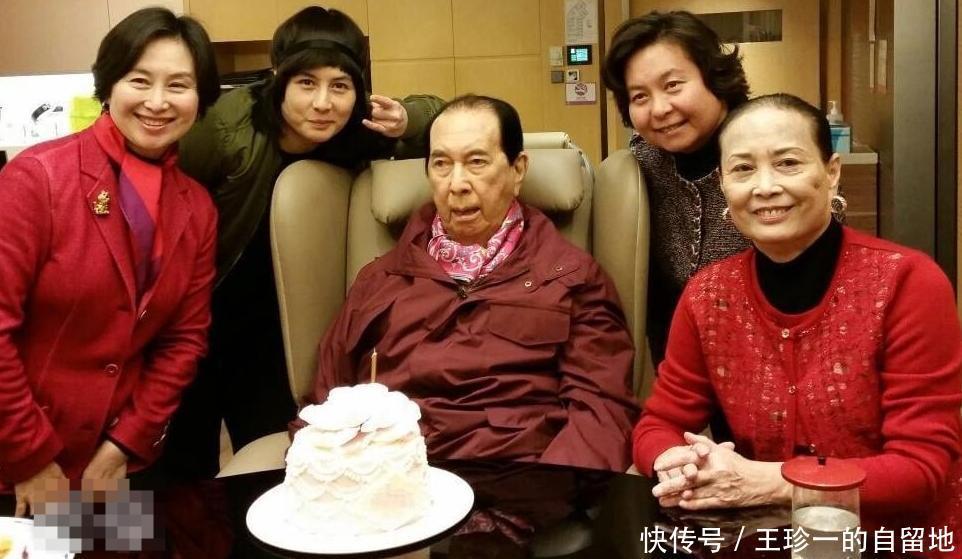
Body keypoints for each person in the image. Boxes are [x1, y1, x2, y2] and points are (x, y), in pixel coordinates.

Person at [633, 93, 962, 547]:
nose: (765, 187)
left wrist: (766, 482)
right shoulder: (708, 295)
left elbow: (920, 470)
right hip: (767, 541)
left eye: (787, 163)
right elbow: (657, 424)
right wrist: (678, 463)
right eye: (743, 169)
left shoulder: (907, 281)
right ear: (724, 185)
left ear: (832, 171)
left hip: (896, 540)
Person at [167, 6, 445, 477]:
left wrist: (409, 119)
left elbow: (443, 115)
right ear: (278, 77)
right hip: (199, 310)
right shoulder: (225, 126)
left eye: (340, 86)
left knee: (273, 461)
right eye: (306, 83)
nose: (322, 103)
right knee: (179, 469)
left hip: (277, 329)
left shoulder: (361, 130)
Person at [309, 95, 640, 471]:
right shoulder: (380, 279)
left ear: (518, 170)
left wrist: (546, 493)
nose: (457, 184)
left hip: (519, 477)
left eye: (476, 162)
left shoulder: (571, 278)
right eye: (441, 164)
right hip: (393, 478)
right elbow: (325, 402)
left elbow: (601, 411)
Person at [0, 7, 219, 516]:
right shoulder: (37, 179)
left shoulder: (197, 208)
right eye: (139, 80)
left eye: (179, 85)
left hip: (119, 464)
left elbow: (184, 339)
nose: (158, 102)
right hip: (19, 465)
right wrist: (30, 457)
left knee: (132, 548)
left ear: (201, 97)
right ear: (108, 84)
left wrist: (126, 443)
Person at [602, 11, 751, 368]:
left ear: (713, 76)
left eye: (672, 85)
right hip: (681, 370)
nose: (660, 109)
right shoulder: (643, 166)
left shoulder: (769, 146)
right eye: (640, 96)